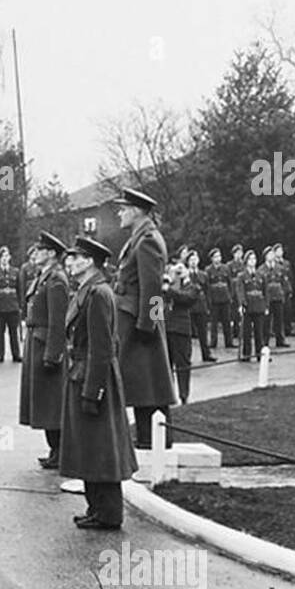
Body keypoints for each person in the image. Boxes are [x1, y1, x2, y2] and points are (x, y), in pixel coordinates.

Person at [59, 235, 137, 529]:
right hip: (83, 373)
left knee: (101, 448)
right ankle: (97, 509)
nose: (70, 263)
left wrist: (94, 391)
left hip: (93, 376)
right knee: (90, 447)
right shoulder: (88, 290)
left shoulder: (98, 294)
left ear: (89, 261)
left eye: (76, 258)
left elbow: (102, 348)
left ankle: (108, 513)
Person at [112, 189, 178, 449]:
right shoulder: (139, 238)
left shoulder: (147, 240)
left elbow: (151, 289)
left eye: (123, 208)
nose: (119, 213)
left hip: (141, 322)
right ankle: (148, 437)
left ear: (136, 211)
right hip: (135, 319)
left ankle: (153, 438)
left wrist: (146, 326)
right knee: (144, 382)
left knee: (148, 381)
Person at [20, 231, 69, 469]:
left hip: (46, 344)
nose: (34, 254)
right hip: (36, 341)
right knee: (44, 401)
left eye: (39, 250)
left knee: (52, 402)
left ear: (51, 254)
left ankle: (60, 451)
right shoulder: (44, 277)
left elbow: (58, 321)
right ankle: (54, 450)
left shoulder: (57, 279)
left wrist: (53, 354)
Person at [163, 260, 199, 404]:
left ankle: (184, 394)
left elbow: (187, 299)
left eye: (180, 271)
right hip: (165, 328)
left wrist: (170, 290)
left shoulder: (191, 287)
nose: (177, 274)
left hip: (181, 330)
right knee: (166, 365)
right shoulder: (165, 286)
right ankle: (167, 395)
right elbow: (155, 303)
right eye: (175, 271)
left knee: (183, 364)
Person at [0, 246, 22, 363]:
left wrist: (20, 305)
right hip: (0, 306)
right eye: (2, 256)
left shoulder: (16, 272)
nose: (5, 259)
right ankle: (0, 353)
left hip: (13, 305)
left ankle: (16, 354)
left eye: (7, 256)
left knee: (14, 332)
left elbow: (19, 289)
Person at [235, 249, 269, 363]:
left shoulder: (261, 275)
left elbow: (265, 291)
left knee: (260, 332)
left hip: (259, 304)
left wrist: (266, 306)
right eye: (250, 259)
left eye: (254, 259)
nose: (252, 261)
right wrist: (241, 304)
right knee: (247, 332)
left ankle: (260, 354)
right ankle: (246, 354)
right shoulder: (242, 276)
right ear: (246, 261)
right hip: (248, 305)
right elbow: (240, 291)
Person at [184, 249, 215, 362]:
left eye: (195, 259)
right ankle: (187, 356)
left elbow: (207, 291)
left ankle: (206, 354)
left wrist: (208, 306)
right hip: (189, 306)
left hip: (201, 305)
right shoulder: (185, 274)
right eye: (191, 260)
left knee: (203, 332)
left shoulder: (203, 275)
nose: (193, 262)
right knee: (188, 334)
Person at [203, 248, 232, 350]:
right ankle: (213, 342)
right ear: (211, 258)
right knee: (214, 322)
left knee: (227, 321)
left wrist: (230, 296)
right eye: (215, 256)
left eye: (219, 256)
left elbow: (229, 283)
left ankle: (229, 341)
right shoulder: (208, 270)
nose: (218, 258)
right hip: (214, 299)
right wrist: (209, 300)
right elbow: (207, 286)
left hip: (225, 297)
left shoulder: (226, 268)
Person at [262, 245, 288, 347]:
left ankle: (280, 340)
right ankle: (265, 341)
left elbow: (284, 282)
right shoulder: (261, 269)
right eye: (269, 254)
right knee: (266, 321)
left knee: (279, 320)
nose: (271, 256)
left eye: (272, 254)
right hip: (268, 298)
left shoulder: (280, 268)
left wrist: (284, 293)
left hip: (278, 296)